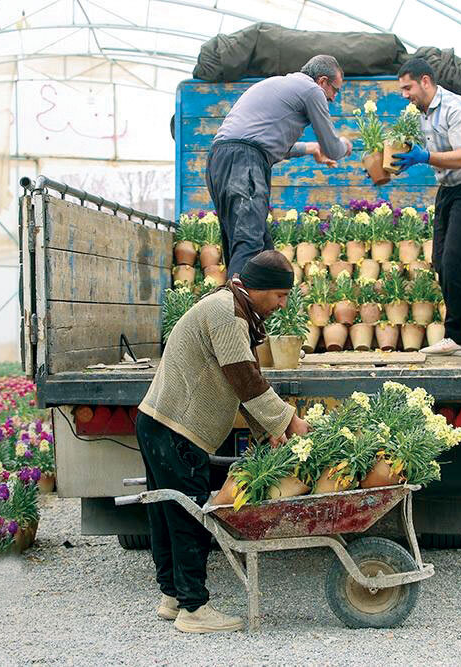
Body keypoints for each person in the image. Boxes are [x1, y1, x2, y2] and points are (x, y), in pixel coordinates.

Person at [135, 250, 311, 633]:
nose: (283, 304)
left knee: (166, 514)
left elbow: (240, 383)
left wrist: (270, 431)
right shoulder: (226, 312)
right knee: (187, 517)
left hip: (157, 421)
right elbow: (245, 379)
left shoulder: (233, 308)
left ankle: (173, 597)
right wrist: (290, 421)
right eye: (280, 295)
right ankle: (194, 610)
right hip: (176, 428)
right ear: (259, 288)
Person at [207, 54, 354, 278]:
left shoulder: (279, 84)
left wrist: (311, 148)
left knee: (256, 248)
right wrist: (344, 145)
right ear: (322, 81)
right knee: (250, 246)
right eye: (335, 90)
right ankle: (236, 310)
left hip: (220, 160)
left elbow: (266, 143)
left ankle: (252, 309)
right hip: (245, 161)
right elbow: (333, 148)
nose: (334, 98)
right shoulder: (311, 90)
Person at [392, 57, 461, 358]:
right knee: (441, 260)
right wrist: (395, 162)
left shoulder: (456, 108)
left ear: (426, 81)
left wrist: (423, 157)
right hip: (451, 188)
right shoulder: (421, 114)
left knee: (457, 261)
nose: (405, 95)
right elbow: (417, 151)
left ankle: (458, 338)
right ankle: (460, 336)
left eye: (408, 87)